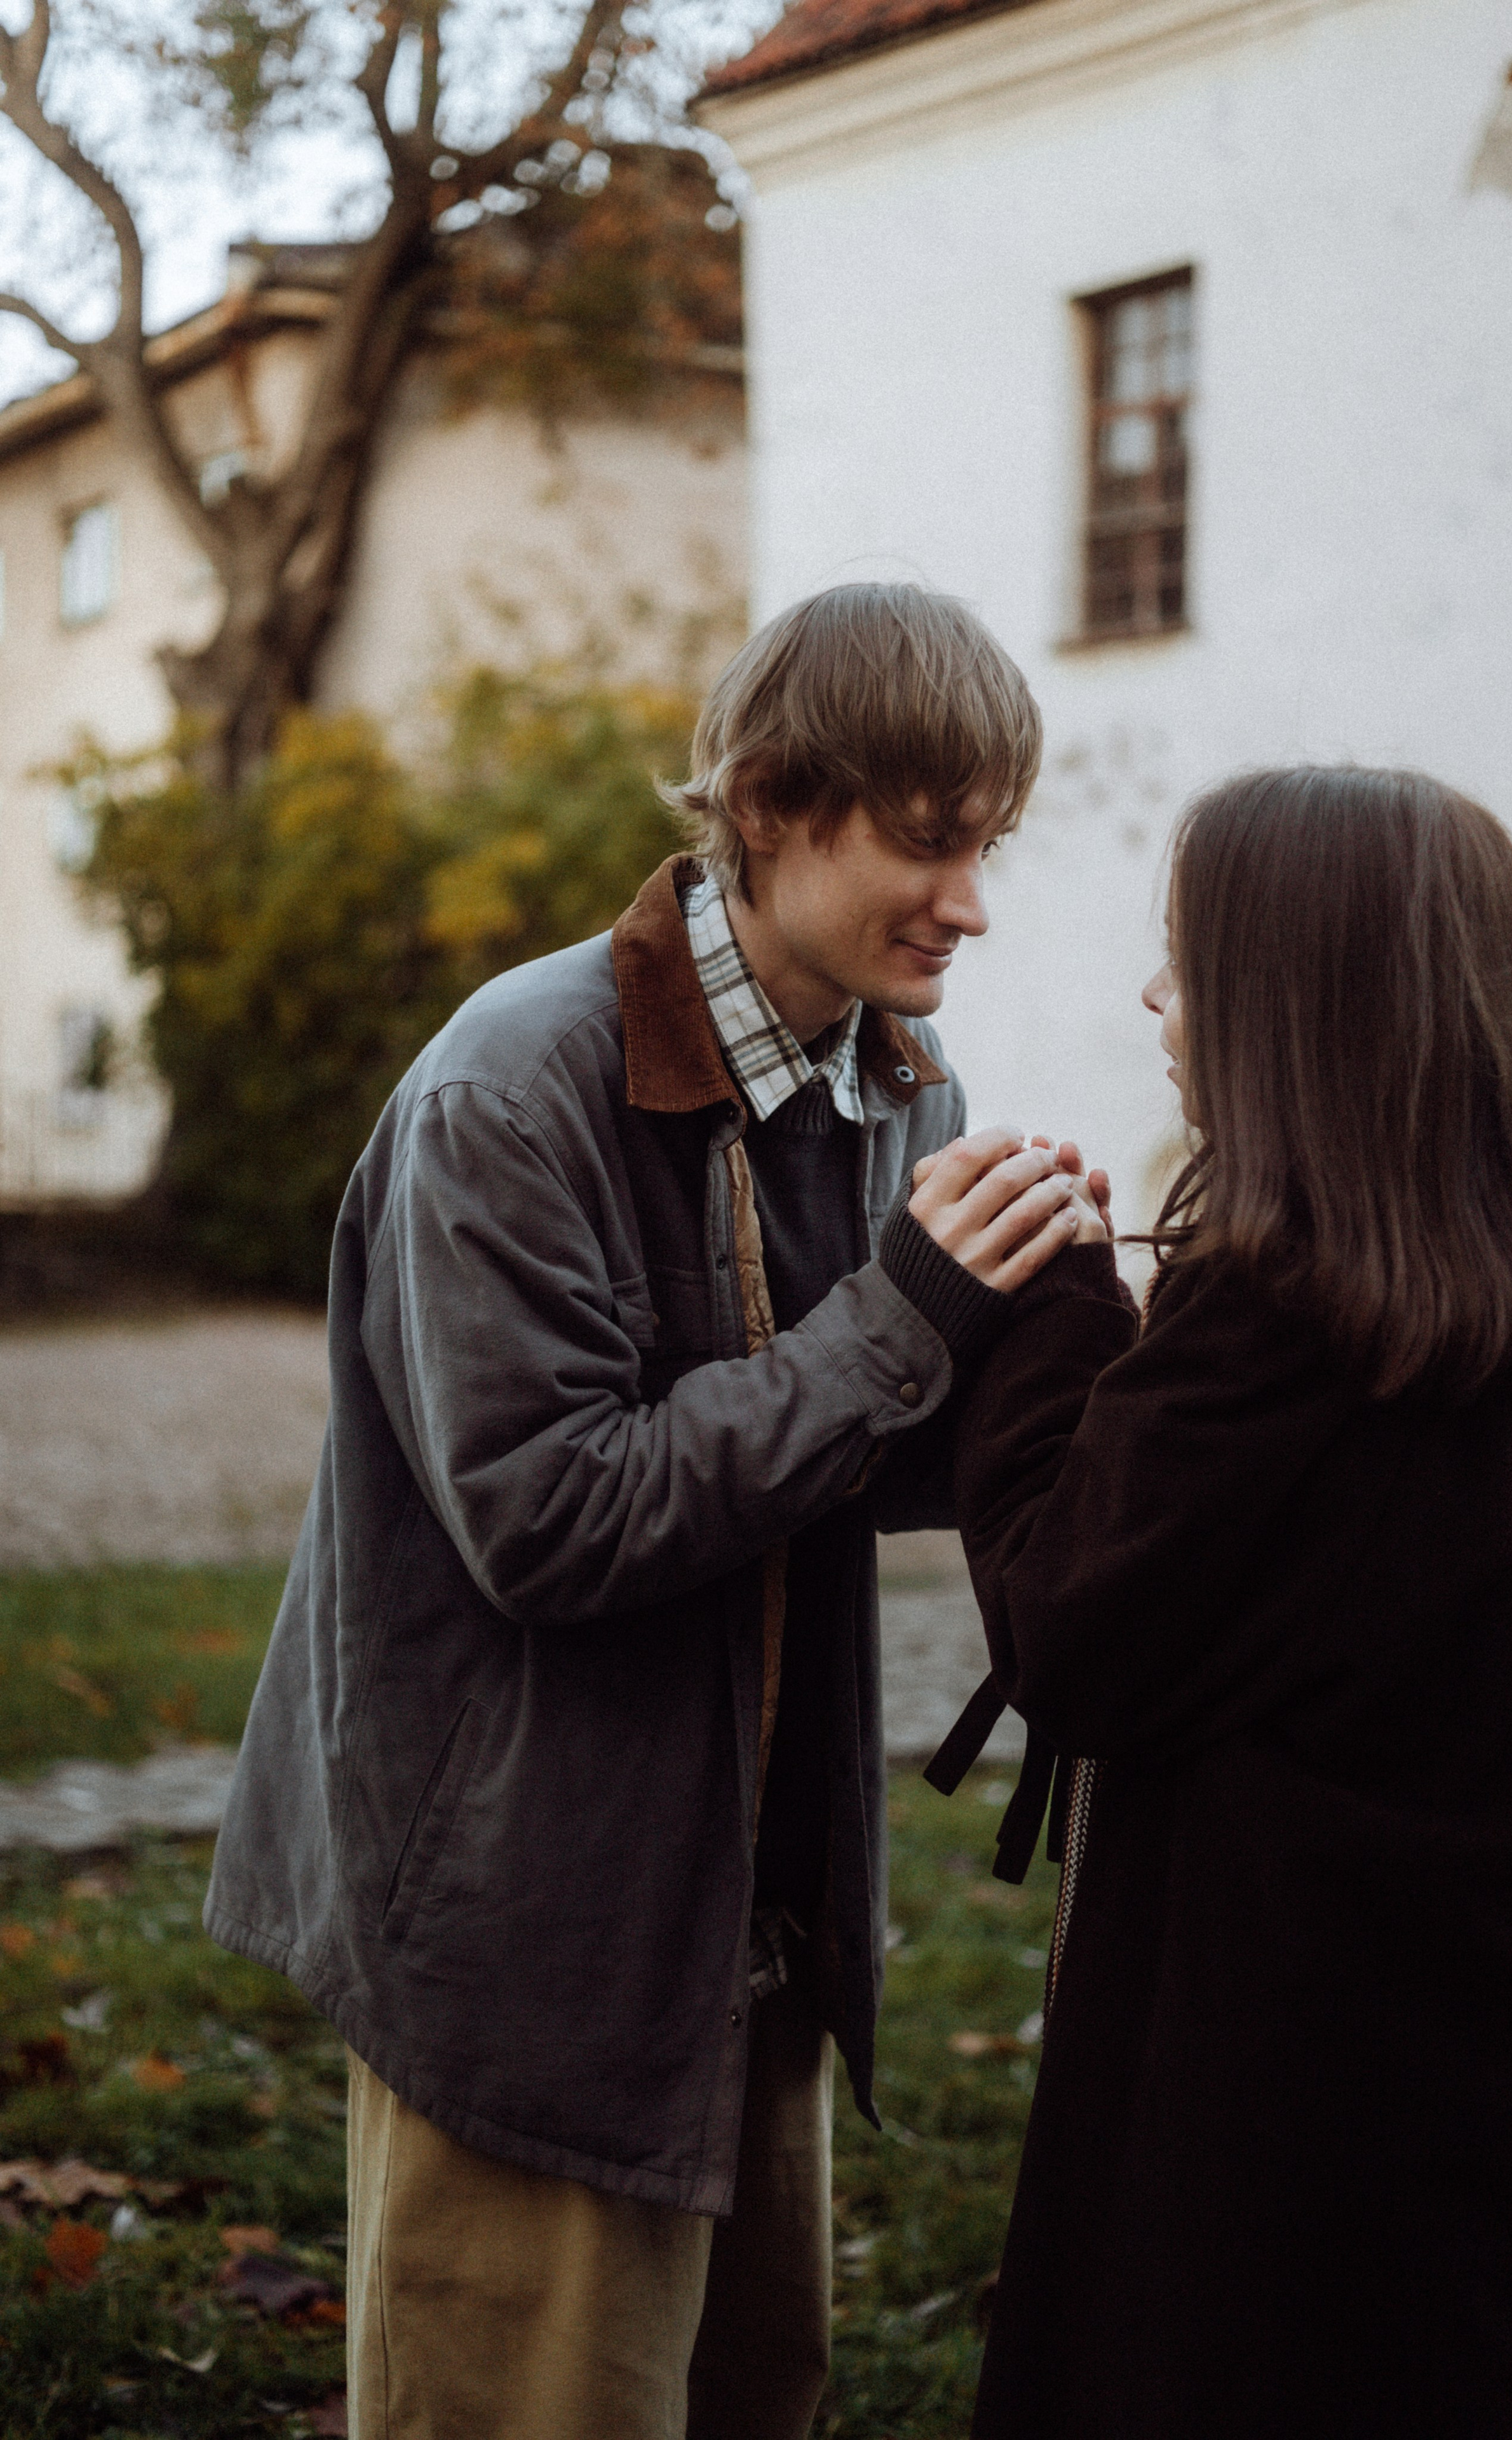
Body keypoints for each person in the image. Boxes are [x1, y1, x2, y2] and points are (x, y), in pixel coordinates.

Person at [203, 581, 1090, 2440]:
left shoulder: (894, 1076)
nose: (974, 904)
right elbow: (548, 1517)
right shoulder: (512, 1091)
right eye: (928, 843)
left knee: (748, 2393)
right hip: (534, 1925)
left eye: (988, 843)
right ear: (767, 805)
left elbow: (851, 1443)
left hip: (745, 1912)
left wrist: (1058, 1352)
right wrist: (904, 1325)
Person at [939, 766, 1512, 2437]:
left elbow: (1071, 1629)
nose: (1159, 1003)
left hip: (1289, 2136)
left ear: (1297, 1004)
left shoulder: (1276, 1324)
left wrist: (1048, 1323)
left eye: (1188, 961)